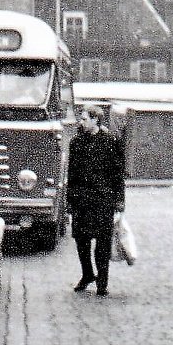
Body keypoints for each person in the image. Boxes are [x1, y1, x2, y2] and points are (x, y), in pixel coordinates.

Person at [65, 106, 126, 296]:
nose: (80, 122)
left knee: (102, 243)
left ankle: (102, 280)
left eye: (84, 119)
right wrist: (70, 200)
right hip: (81, 200)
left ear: (95, 120)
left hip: (103, 200)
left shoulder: (110, 142)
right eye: (81, 119)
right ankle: (87, 274)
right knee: (81, 241)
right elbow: (72, 173)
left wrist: (119, 199)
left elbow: (118, 173)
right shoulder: (76, 143)